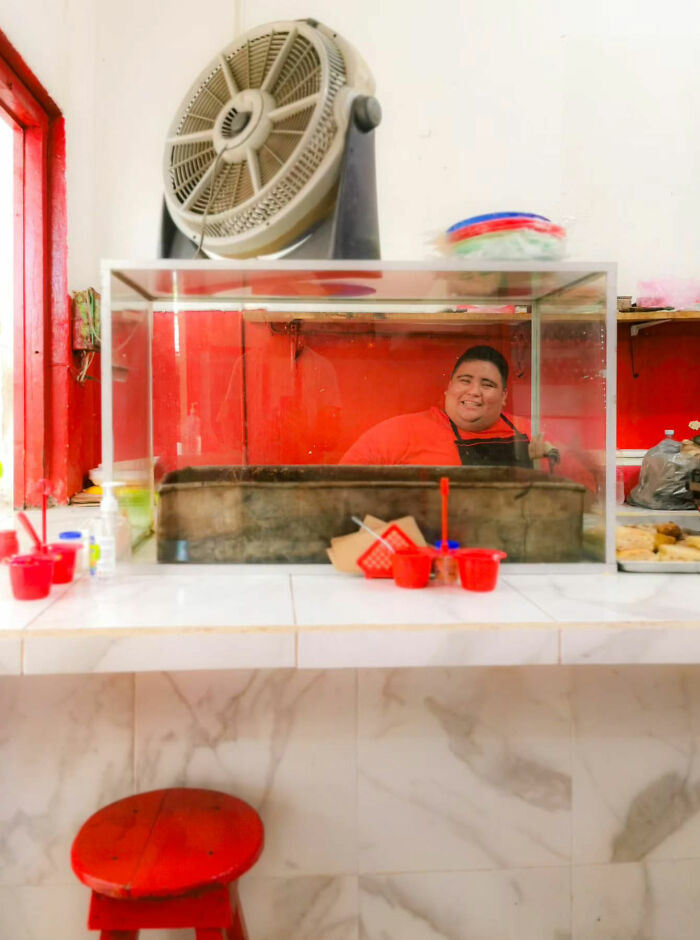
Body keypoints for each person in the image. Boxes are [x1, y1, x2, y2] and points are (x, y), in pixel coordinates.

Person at [339, 344, 554, 467]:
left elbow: (581, 485)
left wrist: (548, 463)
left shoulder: (532, 432)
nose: (474, 391)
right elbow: (342, 483)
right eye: (465, 380)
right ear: (449, 388)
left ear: (504, 396)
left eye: (487, 384)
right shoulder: (398, 433)